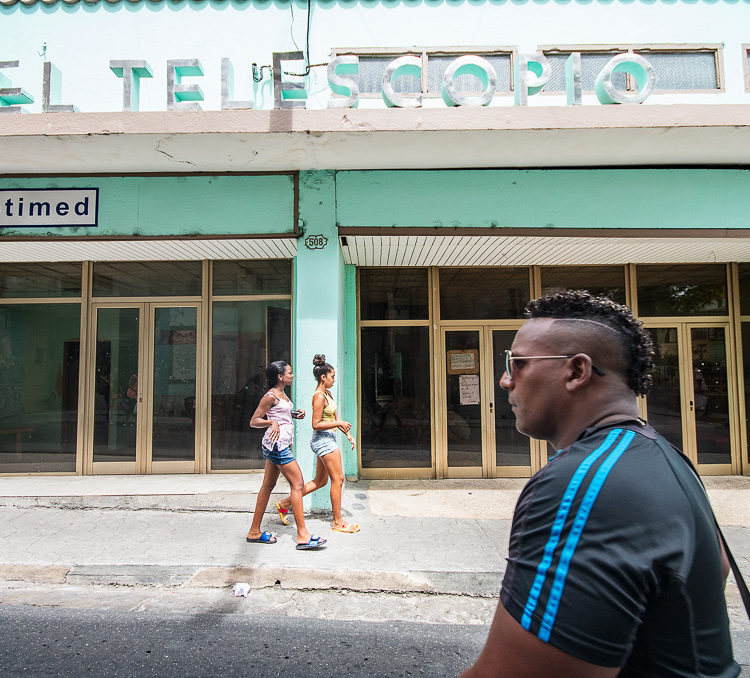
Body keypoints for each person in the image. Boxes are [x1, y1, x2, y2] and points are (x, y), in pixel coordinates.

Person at [461, 290, 738, 678]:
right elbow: (718, 566)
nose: (506, 380)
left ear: (577, 371)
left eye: (518, 363)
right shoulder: (666, 456)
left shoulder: (580, 483)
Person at [245, 360, 327, 550]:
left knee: (267, 486)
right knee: (297, 485)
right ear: (280, 376)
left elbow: (280, 415)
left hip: (277, 445)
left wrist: (295, 414)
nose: (292, 375)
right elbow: (254, 420)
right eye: (289, 372)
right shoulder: (270, 396)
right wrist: (270, 423)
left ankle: (254, 532)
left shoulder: (281, 394)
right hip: (279, 447)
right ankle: (303, 536)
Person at [275, 355, 359, 534]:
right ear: (323, 377)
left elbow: (336, 418)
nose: (334, 379)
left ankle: (284, 503)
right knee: (338, 479)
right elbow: (316, 424)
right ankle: (337, 522)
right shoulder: (319, 397)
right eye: (332, 376)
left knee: (320, 481)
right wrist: (338, 425)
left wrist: (348, 434)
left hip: (329, 437)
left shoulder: (328, 393)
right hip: (323, 440)